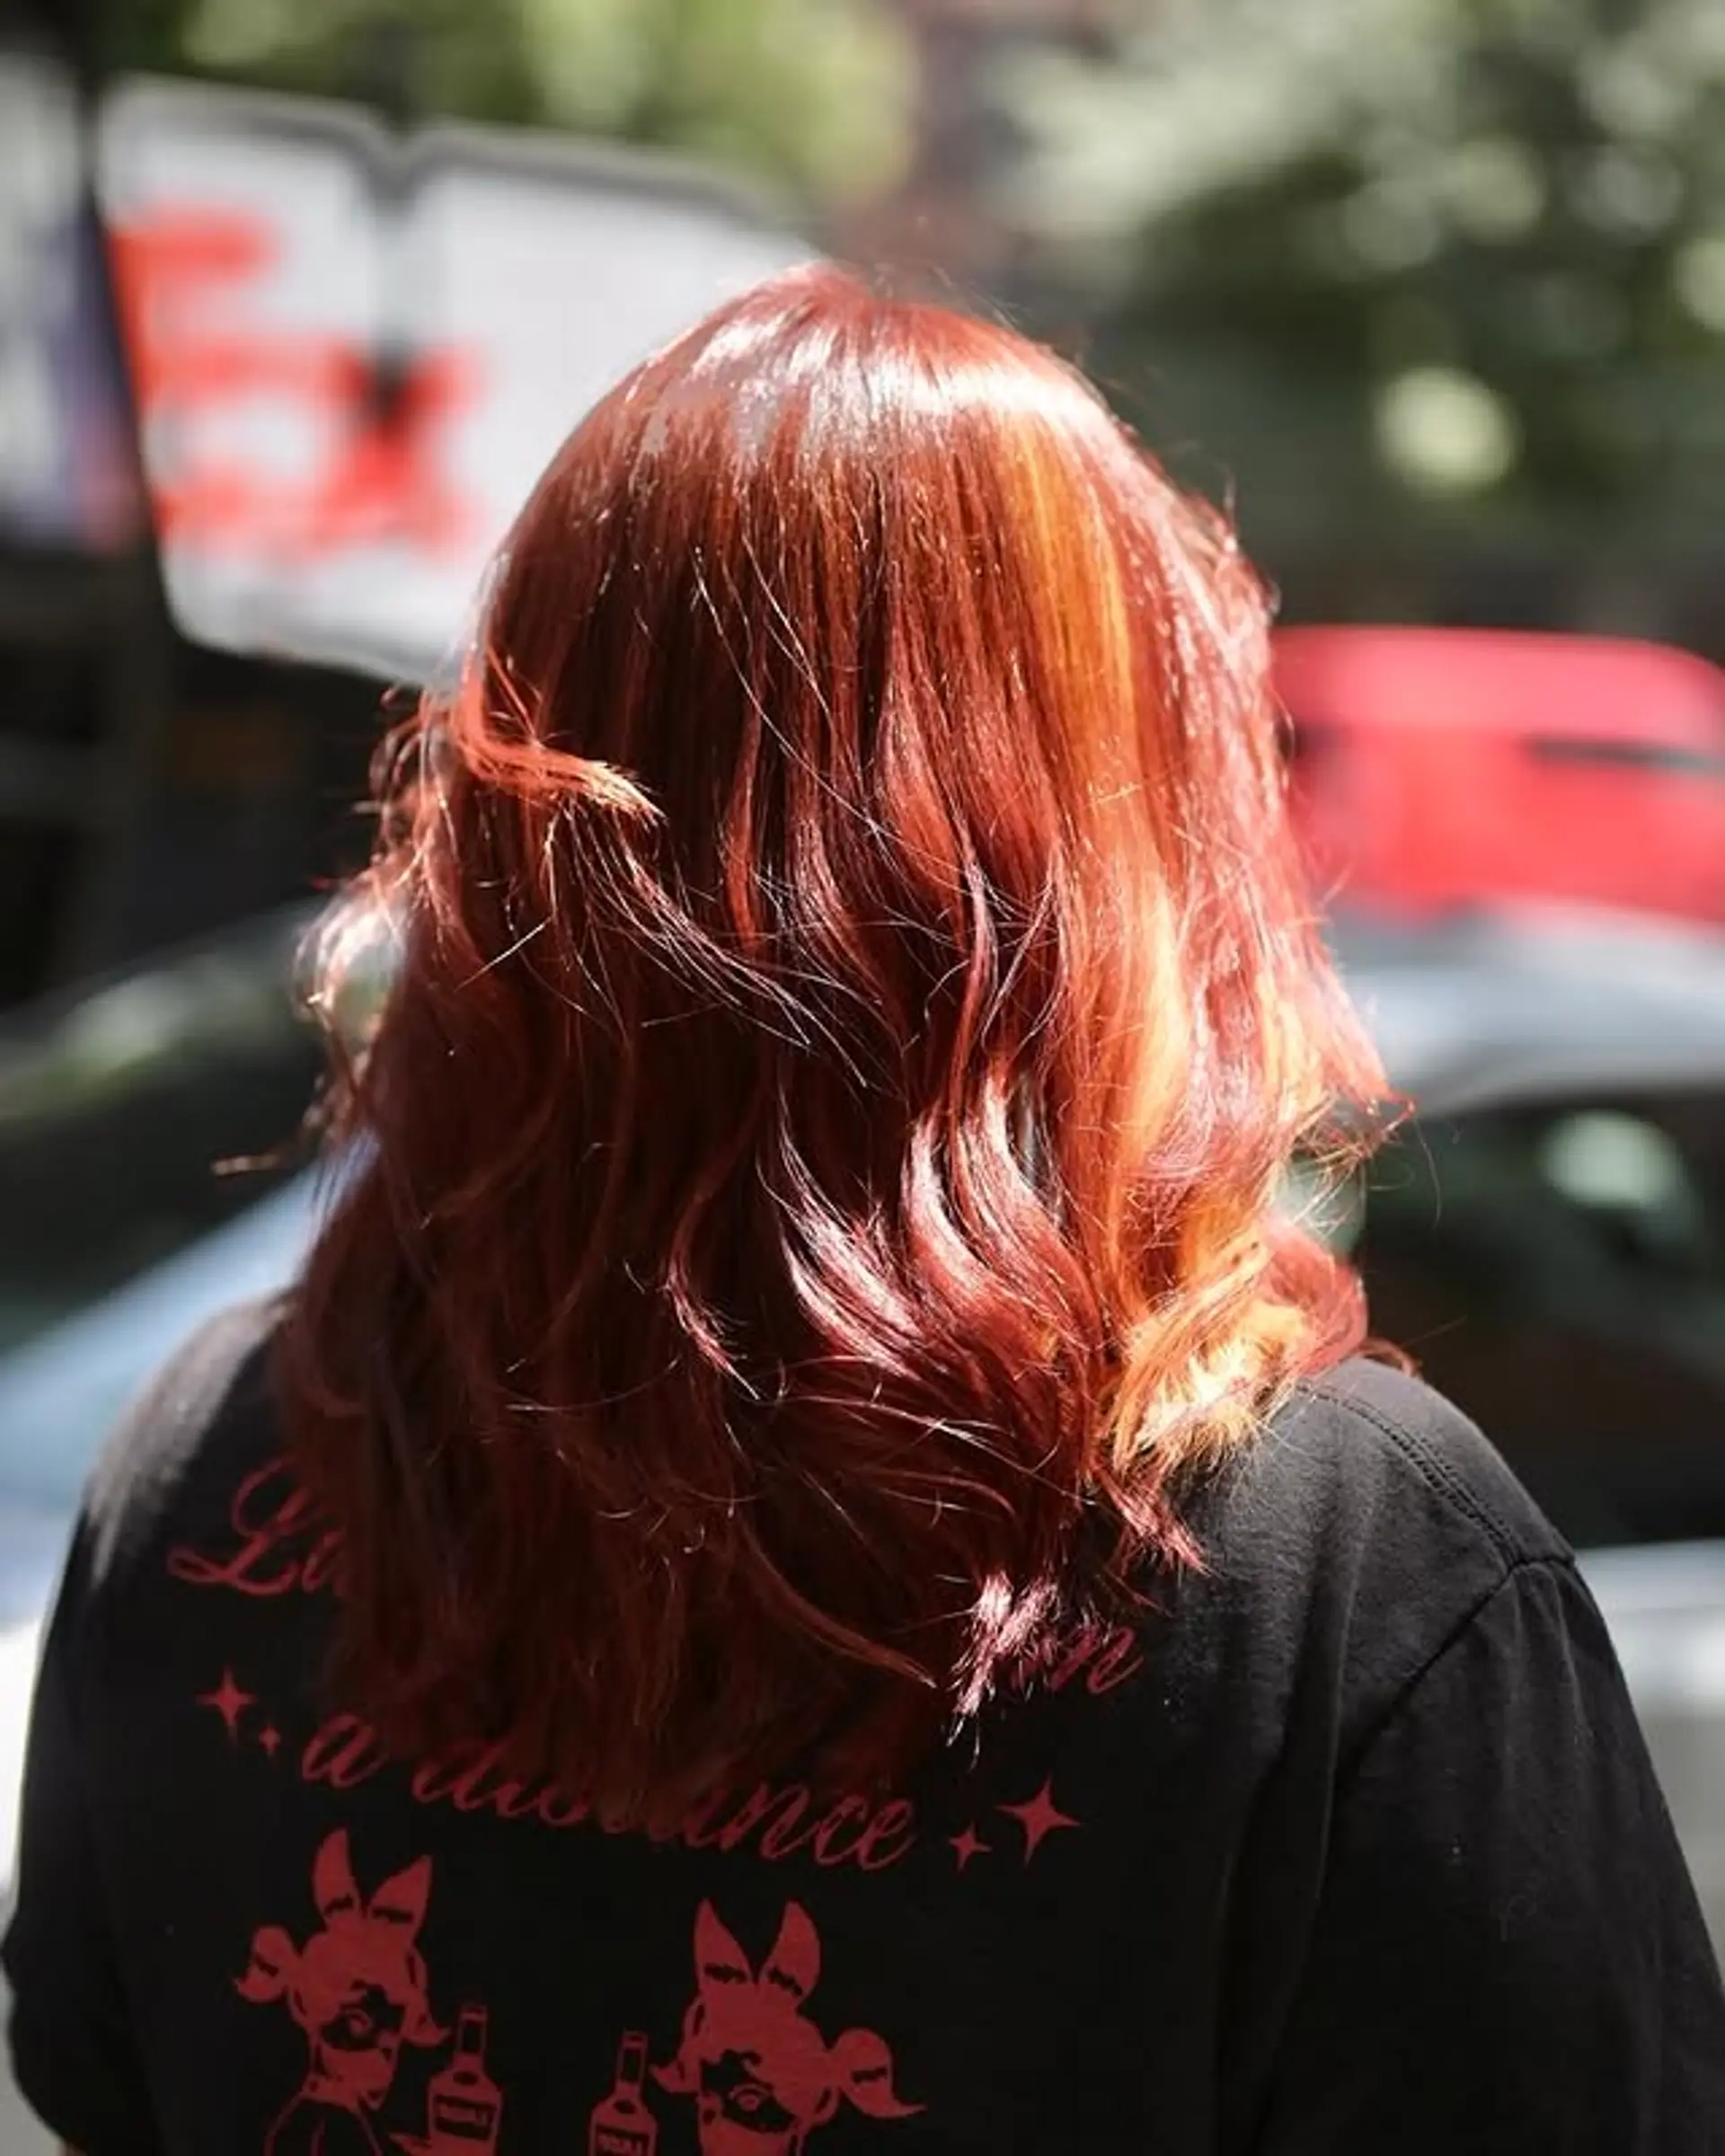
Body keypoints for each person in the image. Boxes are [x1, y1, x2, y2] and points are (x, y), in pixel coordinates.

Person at [6, 264, 1722, 2156]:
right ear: (1126, 834)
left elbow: (99, 2078)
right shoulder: (1345, 1566)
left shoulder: (209, 1469)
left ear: (509, 826)